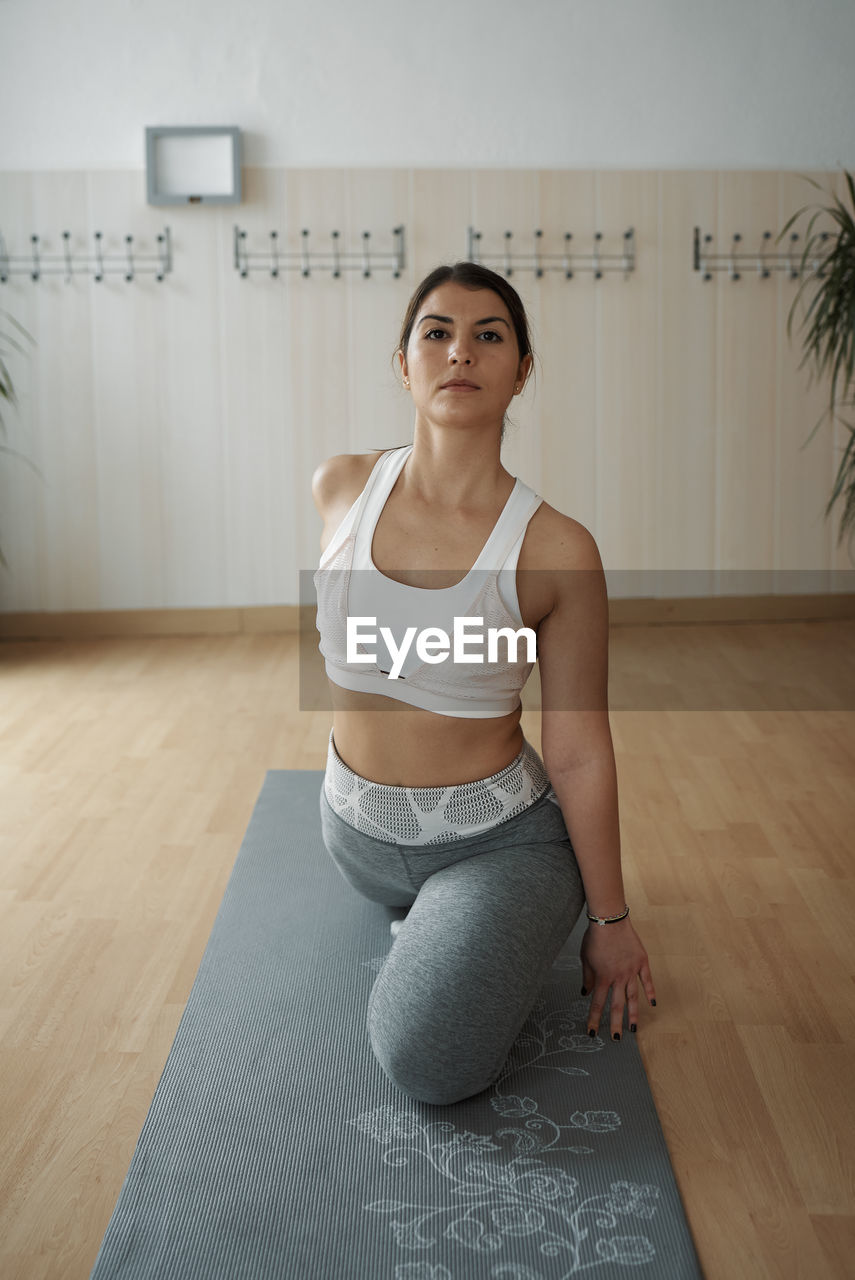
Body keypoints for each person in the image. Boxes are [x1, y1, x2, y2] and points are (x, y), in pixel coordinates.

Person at [311, 261, 656, 1107]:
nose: (459, 351)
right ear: (404, 362)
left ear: (520, 370)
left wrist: (609, 923)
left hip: (495, 841)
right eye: (437, 332)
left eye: (488, 336)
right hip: (354, 838)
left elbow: (576, 749)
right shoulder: (342, 486)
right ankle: (445, 929)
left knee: (431, 1066)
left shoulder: (556, 549)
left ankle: (526, 907)